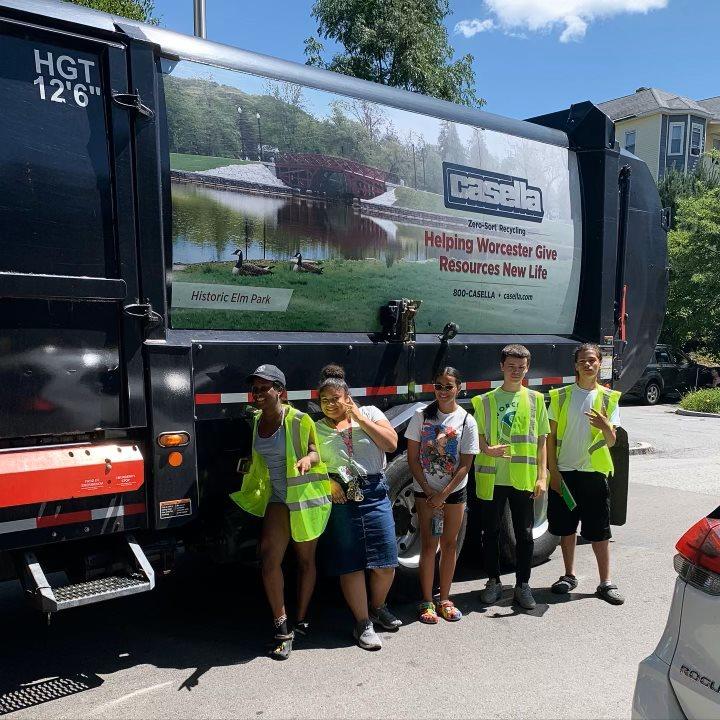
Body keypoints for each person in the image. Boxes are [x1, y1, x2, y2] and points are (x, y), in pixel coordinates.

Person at [229, 364, 331, 660]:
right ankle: (282, 626)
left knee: (304, 561)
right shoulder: (258, 420)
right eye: (255, 389)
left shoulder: (300, 420)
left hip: (304, 496)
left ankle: (301, 619)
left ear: (280, 391)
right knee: (269, 559)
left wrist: (308, 461)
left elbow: (315, 450)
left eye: (264, 388)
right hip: (276, 496)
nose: (258, 394)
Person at [314, 364, 401, 650]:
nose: (329, 405)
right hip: (341, 495)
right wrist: (328, 482)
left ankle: (378, 607)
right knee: (350, 563)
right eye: (324, 400)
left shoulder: (372, 413)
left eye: (335, 399)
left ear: (347, 397)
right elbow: (310, 464)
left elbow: (390, 444)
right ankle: (362, 623)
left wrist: (359, 419)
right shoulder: (316, 428)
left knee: (386, 561)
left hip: (374, 491)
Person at [472, 344, 549, 611]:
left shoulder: (536, 400)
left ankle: (522, 585)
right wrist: (486, 448)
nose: (516, 371)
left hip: (523, 478)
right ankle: (493, 582)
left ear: (527, 368)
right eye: (511, 366)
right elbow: (477, 437)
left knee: (525, 535)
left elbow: (541, 441)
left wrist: (542, 477)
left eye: (521, 367)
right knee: (490, 533)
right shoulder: (484, 401)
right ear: (501, 367)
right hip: (492, 477)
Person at [547, 343, 624, 605]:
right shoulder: (559, 396)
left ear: (600, 363)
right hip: (566, 473)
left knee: (599, 530)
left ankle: (605, 582)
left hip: (593, 474)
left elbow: (612, 441)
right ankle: (569, 576)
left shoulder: (608, 397)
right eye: (582, 361)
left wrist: (605, 426)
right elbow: (550, 436)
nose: (587, 364)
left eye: (592, 360)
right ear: (575, 365)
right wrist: (552, 471)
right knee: (566, 528)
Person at [405, 367, 479, 623]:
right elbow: (412, 459)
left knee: (449, 545)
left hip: (453, 492)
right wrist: (428, 491)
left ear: (459, 387)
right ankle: (426, 600)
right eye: (439, 386)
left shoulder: (467, 420)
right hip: (425, 491)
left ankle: (445, 598)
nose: (443, 391)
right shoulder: (420, 416)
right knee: (428, 545)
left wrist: (443, 495)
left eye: (449, 386)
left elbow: (465, 465)